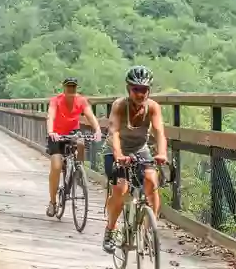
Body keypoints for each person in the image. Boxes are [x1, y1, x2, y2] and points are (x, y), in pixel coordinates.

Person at [102, 65, 167, 253]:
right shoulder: (120, 106)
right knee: (120, 188)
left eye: (145, 90)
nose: (141, 94)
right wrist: (119, 155)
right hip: (116, 149)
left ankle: (148, 231)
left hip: (140, 148)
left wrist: (162, 153)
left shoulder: (153, 107)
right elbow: (113, 131)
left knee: (151, 181)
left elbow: (160, 132)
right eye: (136, 89)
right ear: (128, 89)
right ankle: (111, 229)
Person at [46, 77, 101, 217]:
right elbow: (50, 117)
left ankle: (78, 170)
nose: (71, 90)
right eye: (68, 87)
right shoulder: (56, 101)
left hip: (72, 133)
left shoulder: (81, 100)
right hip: (57, 135)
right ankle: (53, 202)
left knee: (81, 142)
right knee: (56, 166)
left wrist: (97, 130)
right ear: (64, 88)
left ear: (76, 88)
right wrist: (51, 132)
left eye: (73, 87)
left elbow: (90, 116)